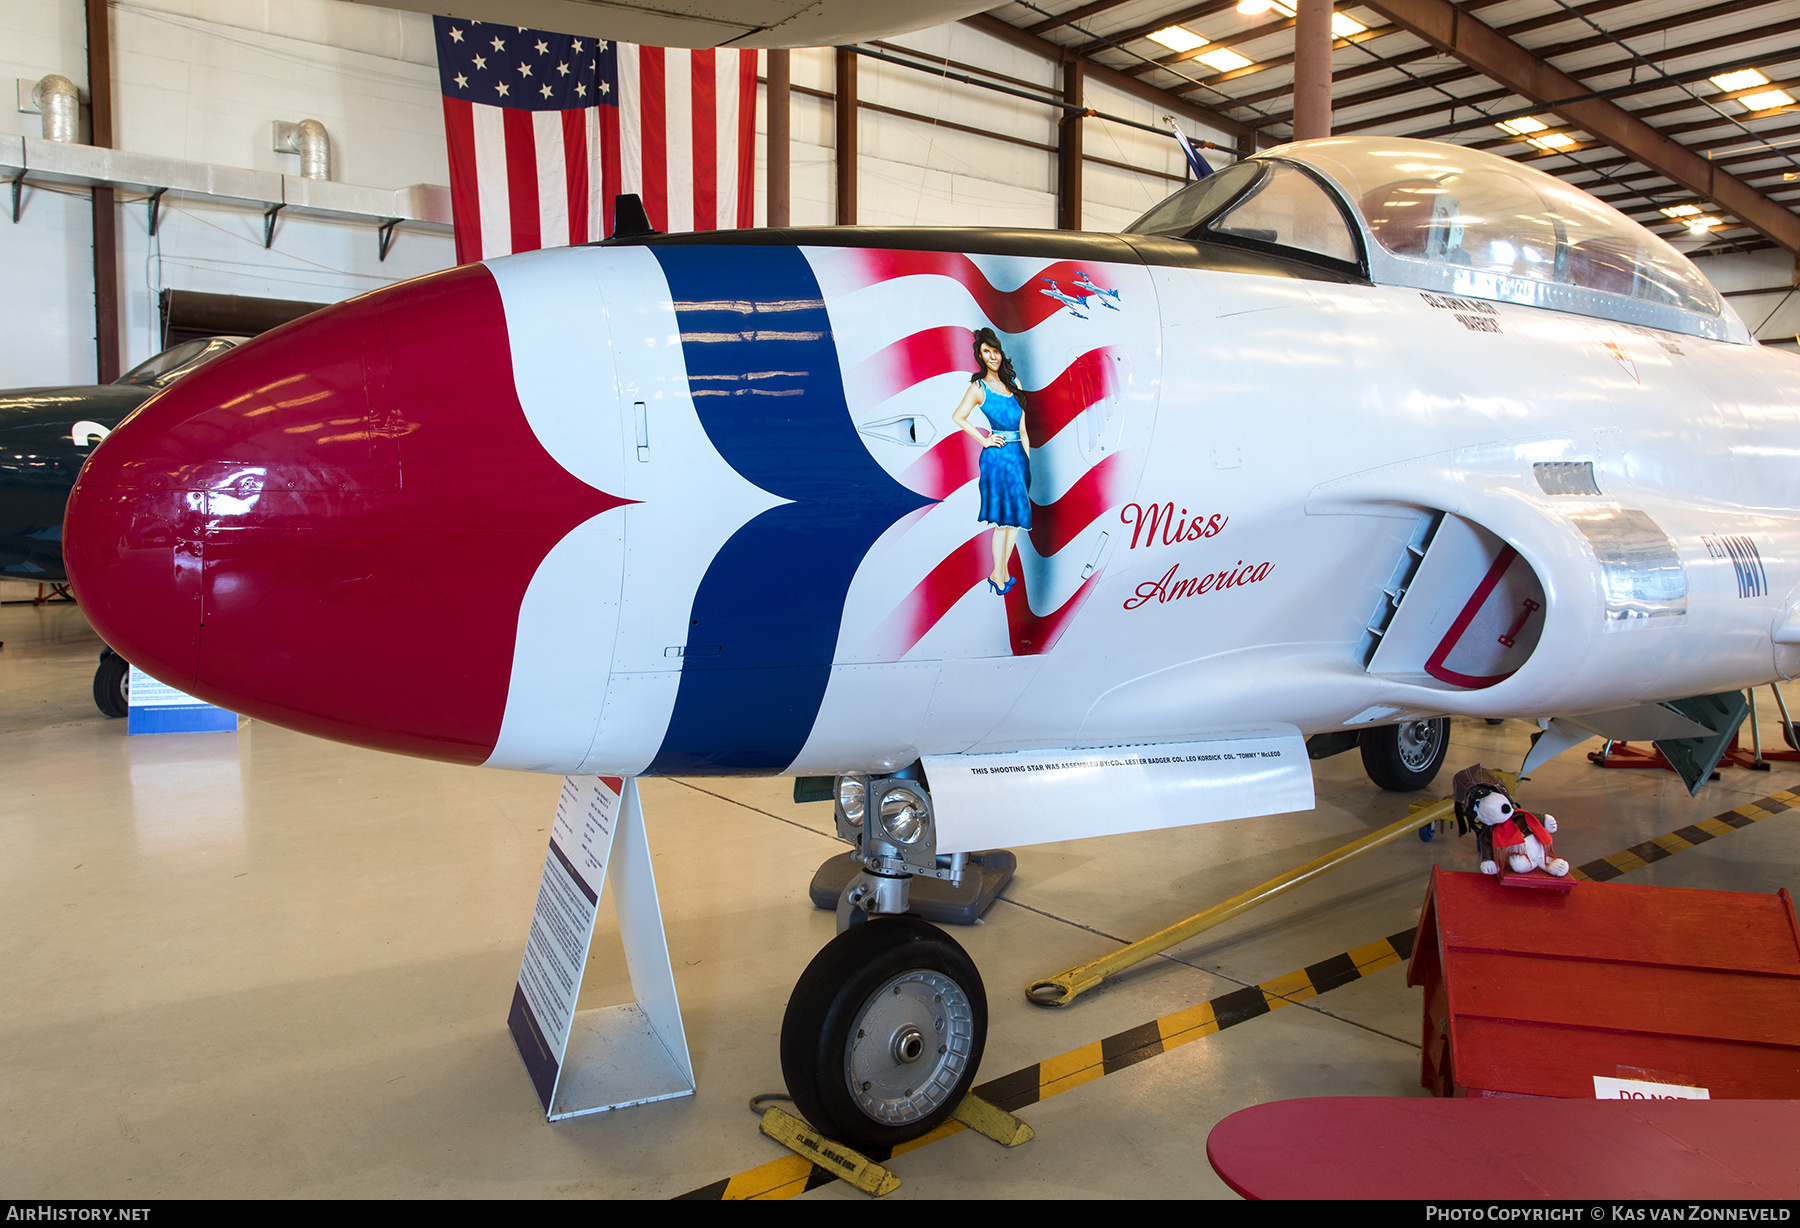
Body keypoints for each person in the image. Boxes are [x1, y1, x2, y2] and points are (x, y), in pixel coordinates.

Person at [951, 328, 1032, 595]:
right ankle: (999, 574)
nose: (992, 356)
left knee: (1017, 517)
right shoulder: (978, 388)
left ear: (1000, 352)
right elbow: (959, 416)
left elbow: (1023, 429)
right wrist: (984, 439)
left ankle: (1001, 572)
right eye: (986, 352)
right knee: (1003, 520)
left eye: (994, 350)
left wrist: (1027, 461)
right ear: (980, 356)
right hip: (997, 457)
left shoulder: (1014, 383)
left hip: (1018, 456)